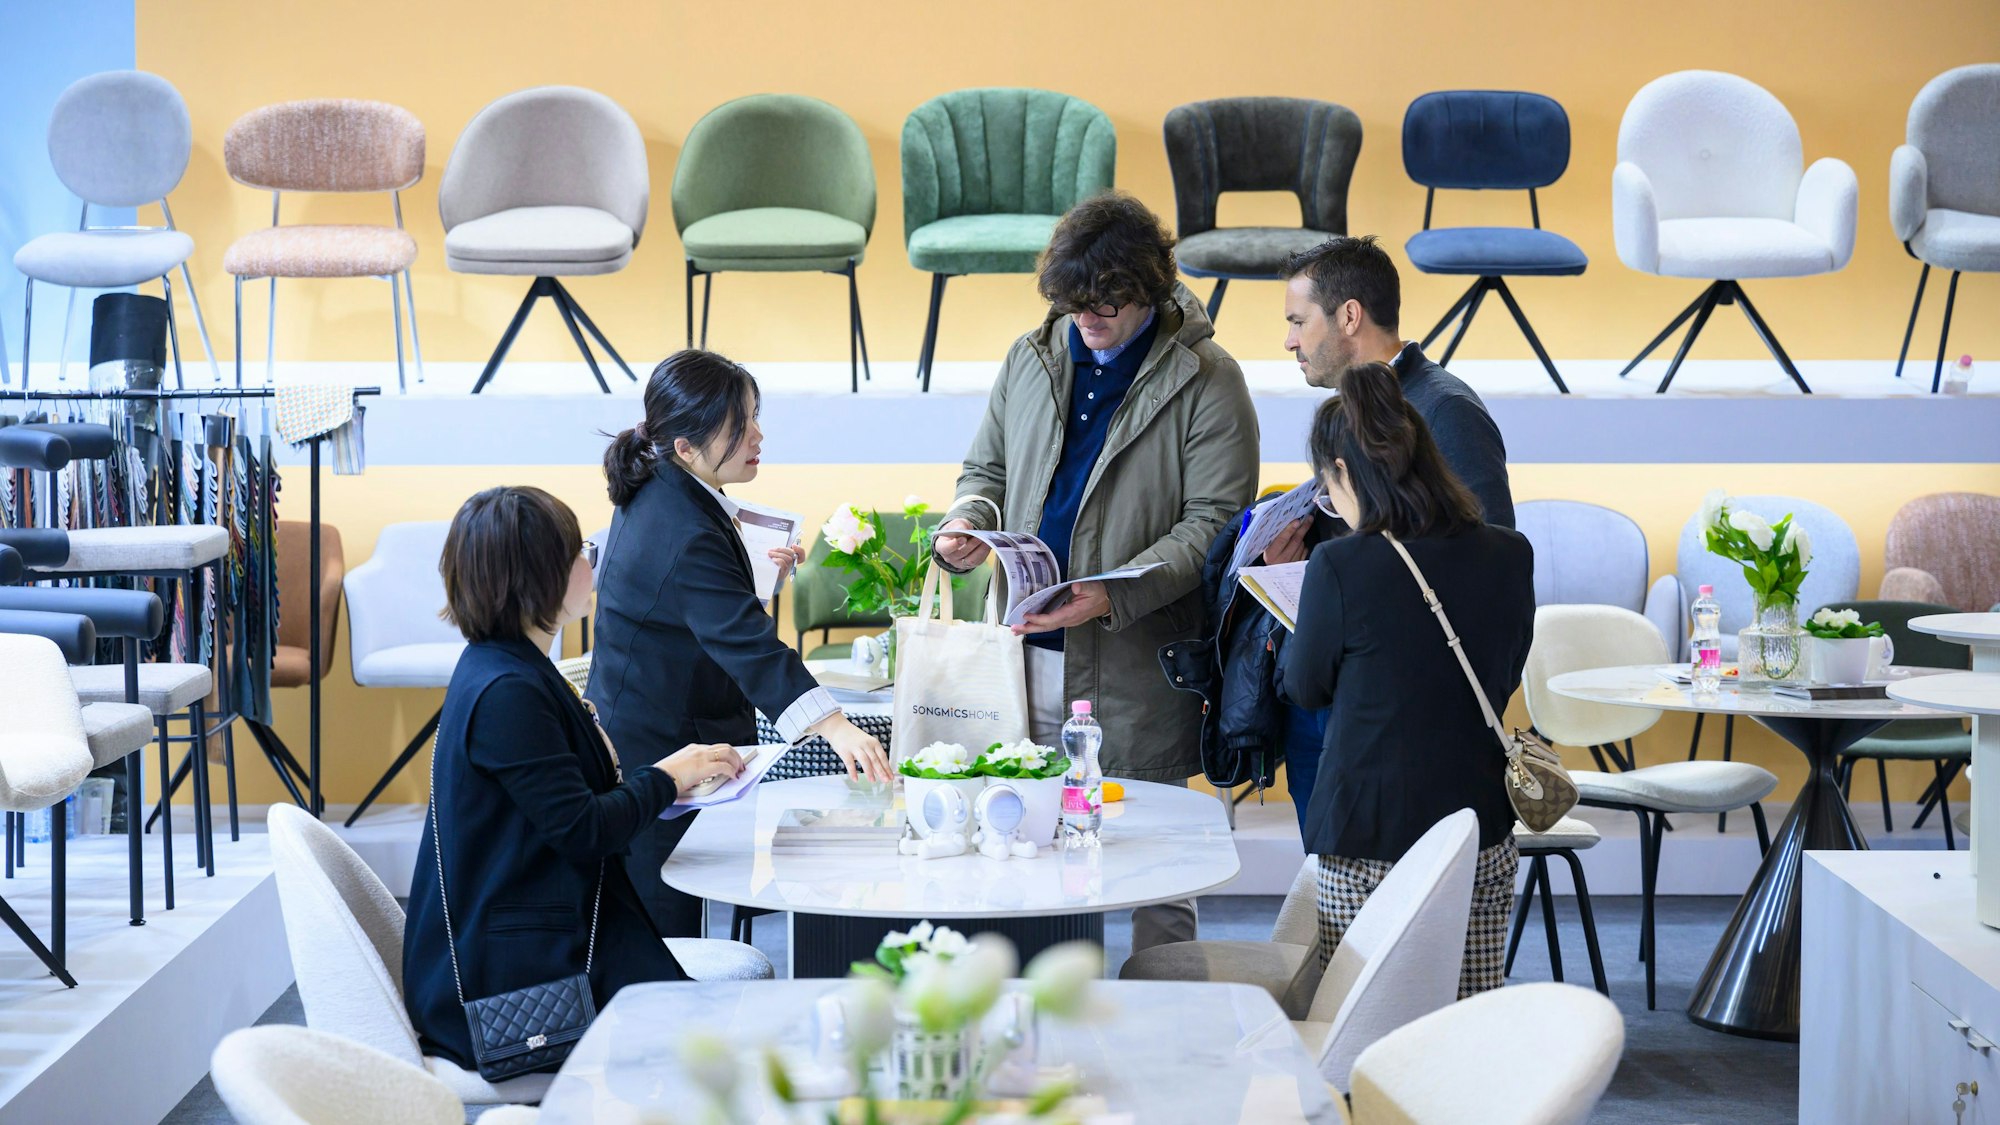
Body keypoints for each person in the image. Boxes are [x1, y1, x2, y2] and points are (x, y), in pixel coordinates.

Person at [933, 191, 1259, 951]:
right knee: (1022, 847)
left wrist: (1110, 593)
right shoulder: (1032, 354)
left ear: (1150, 287)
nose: (1089, 317)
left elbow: (1215, 524)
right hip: (1023, 653)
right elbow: (985, 468)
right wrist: (967, 521)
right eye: (1075, 301)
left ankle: (1170, 1040)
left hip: (1136, 665)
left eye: (1108, 302)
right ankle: (1040, 1029)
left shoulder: (1208, 379)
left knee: (1156, 870)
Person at [404, 486, 756, 1070]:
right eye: (577, 553)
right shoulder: (507, 692)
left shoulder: (507, 668)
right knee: (729, 1056)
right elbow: (584, 830)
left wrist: (668, 780)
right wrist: (667, 778)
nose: (590, 564)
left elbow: (568, 808)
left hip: (538, 938)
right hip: (516, 984)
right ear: (535, 577)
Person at [590, 349, 892, 937]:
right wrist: (833, 725)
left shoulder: (662, 485)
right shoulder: (683, 526)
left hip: (654, 715)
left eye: (754, 416)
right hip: (656, 743)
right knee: (663, 923)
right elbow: (748, 642)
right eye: (738, 427)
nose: (758, 435)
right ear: (685, 447)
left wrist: (756, 574)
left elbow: (690, 602)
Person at [1275, 361, 1535, 999]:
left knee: (1360, 1017)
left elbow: (1303, 687)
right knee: (1467, 1017)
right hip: (1478, 825)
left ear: (1342, 472)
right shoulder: (1510, 552)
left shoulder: (1340, 564)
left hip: (1367, 830)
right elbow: (1503, 674)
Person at [1261, 234, 1518, 826]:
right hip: (1332, 698)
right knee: (1339, 912)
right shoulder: (1351, 410)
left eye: (1299, 321)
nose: (1289, 340)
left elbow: (1488, 564)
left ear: (1349, 315)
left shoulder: (1445, 408)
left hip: (1406, 724)